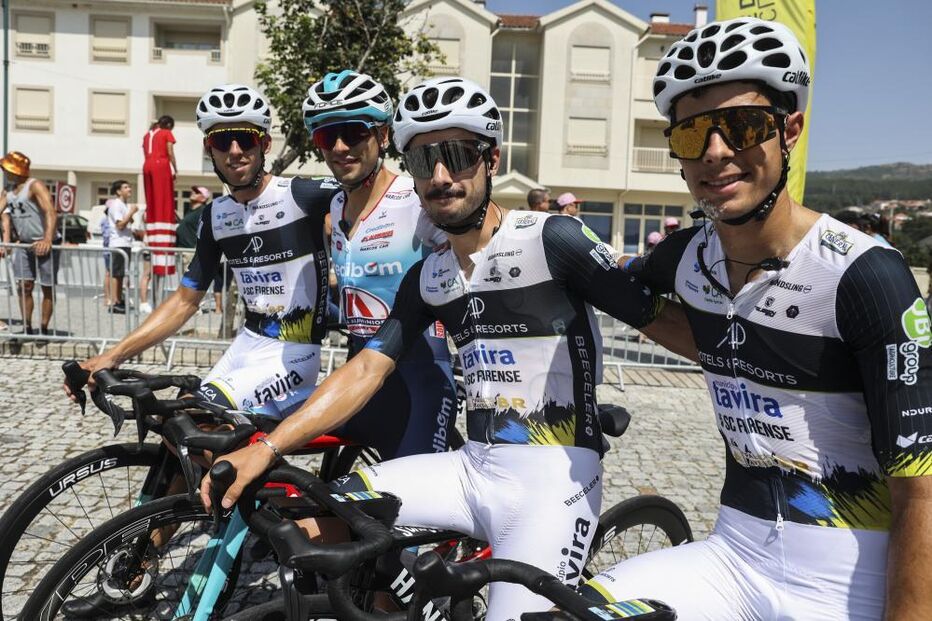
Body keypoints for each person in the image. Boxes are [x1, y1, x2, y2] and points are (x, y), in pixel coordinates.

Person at [202, 76, 696, 620]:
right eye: (422, 162)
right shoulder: (430, 275)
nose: (440, 176)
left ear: (492, 159)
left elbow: (669, 325)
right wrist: (268, 448)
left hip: (551, 479)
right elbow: (367, 368)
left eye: (458, 156)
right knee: (320, 516)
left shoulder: (551, 239)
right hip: (470, 469)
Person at [585, 17, 932, 620]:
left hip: (846, 575)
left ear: (788, 130)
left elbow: (921, 487)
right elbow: (655, 312)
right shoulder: (683, 256)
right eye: (693, 135)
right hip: (733, 551)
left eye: (742, 126)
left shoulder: (867, 277)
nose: (716, 153)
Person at [65, 84, 334, 420]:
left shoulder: (302, 195)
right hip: (245, 346)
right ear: (211, 150)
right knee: (173, 430)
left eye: (246, 139)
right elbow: (184, 301)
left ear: (264, 144)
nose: (234, 150)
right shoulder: (216, 215)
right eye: (223, 141)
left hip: (292, 354)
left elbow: (373, 192)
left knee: (192, 417)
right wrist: (114, 355)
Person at [302, 69, 457, 458]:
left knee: (406, 514)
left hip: (418, 383)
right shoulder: (335, 206)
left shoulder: (415, 200)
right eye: (326, 136)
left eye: (353, 132)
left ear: (383, 136)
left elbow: (477, 258)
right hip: (358, 374)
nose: (339, 146)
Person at [0, 151, 60, 335]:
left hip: (45, 242)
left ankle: (43, 327)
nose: (4, 172)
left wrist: (47, 238)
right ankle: (27, 327)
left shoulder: (35, 185)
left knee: (47, 286)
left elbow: (50, 211)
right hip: (24, 244)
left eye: (7, 169)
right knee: (24, 285)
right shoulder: (8, 191)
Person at [175, 185, 229, 312]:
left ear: (203, 198)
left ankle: (191, 307)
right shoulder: (191, 211)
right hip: (184, 251)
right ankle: (188, 306)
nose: (193, 193)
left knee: (191, 282)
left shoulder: (202, 211)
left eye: (197, 192)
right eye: (193, 191)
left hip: (191, 251)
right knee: (186, 282)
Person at [105, 180, 137, 314]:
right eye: (126, 187)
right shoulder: (116, 205)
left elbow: (129, 221)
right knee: (115, 274)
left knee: (121, 274)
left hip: (125, 242)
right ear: (118, 191)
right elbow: (120, 225)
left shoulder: (124, 205)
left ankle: (118, 300)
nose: (129, 189)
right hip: (118, 243)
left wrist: (130, 214)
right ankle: (114, 301)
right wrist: (132, 212)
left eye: (129, 186)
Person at [142, 115, 177, 226]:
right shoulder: (166, 133)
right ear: (168, 125)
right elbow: (170, 152)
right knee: (163, 196)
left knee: (150, 196)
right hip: (161, 164)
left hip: (147, 164)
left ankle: (151, 223)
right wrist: (175, 169)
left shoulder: (147, 135)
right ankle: (163, 225)